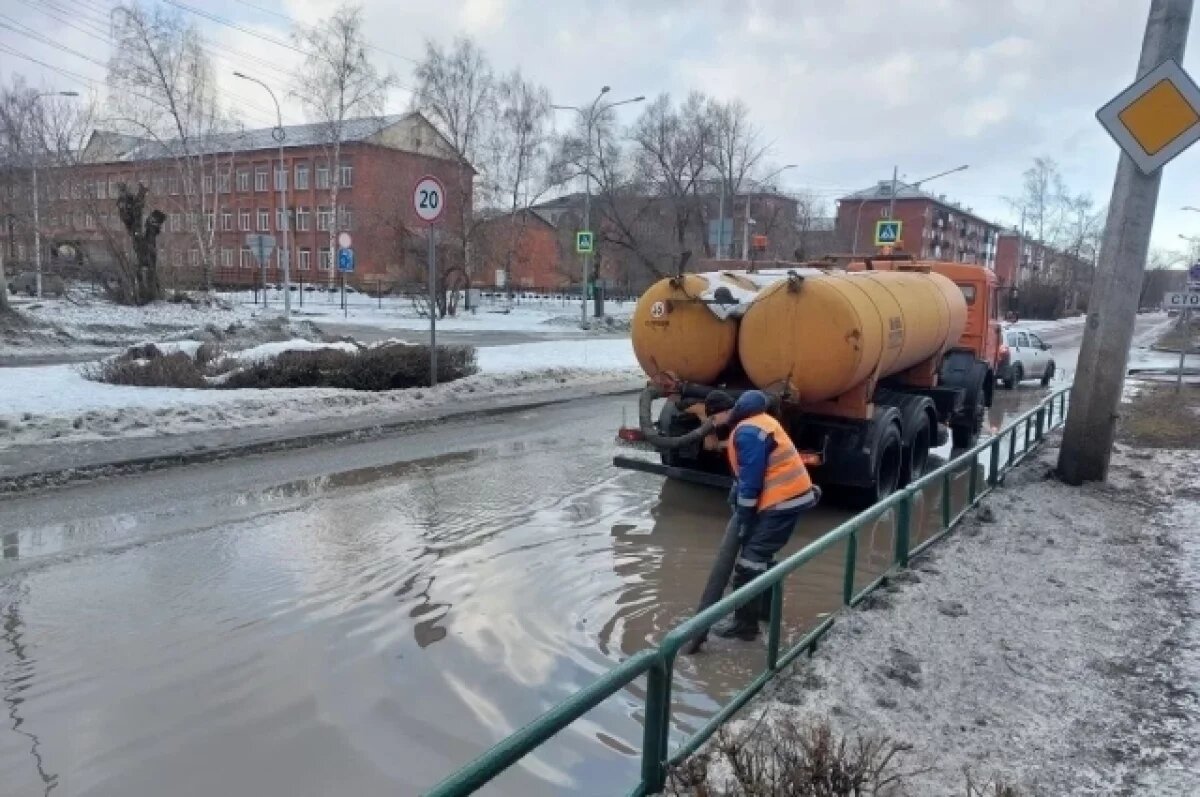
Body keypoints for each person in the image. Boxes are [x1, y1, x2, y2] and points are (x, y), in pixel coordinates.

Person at [704, 389, 819, 641]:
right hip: (787, 499)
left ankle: (746, 627)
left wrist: (744, 519)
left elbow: (751, 482)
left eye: (712, 419)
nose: (711, 425)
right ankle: (765, 614)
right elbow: (749, 474)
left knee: (749, 562)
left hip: (782, 502)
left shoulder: (746, 432)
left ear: (723, 413)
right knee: (762, 557)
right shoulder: (758, 422)